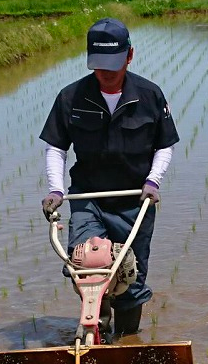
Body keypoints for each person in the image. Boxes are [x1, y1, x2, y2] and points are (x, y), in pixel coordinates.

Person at [39, 18, 179, 342]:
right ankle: (96, 329)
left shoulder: (149, 95)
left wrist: (153, 182)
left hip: (135, 202)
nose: (106, 74)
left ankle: (127, 339)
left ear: (129, 56)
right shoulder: (71, 97)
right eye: (99, 66)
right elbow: (56, 148)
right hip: (88, 197)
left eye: (113, 66)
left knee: (129, 279)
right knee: (88, 264)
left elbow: (164, 145)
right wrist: (56, 190)